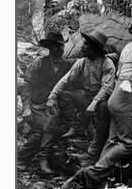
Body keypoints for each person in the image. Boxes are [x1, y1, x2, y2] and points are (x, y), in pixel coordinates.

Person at [63, 18, 132, 189]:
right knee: (128, 144)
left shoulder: (130, 47)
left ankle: (94, 180)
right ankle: (89, 174)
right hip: (128, 101)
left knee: (113, 141)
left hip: (119, 98)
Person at [46, 29, 116, 159]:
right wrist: (52, 96)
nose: (83, 47)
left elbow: (107, 87)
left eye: (86, 45)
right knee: (65, 95)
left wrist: (94, 103)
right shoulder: (82, 62)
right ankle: (76, 126)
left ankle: (96, 147)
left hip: (102, 99)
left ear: (95, 48)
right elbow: (65, 80)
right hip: (86, 96)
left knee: (103, 107)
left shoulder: (107, 63)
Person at [17, 31, 72, 176]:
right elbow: (25, 86)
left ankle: (30, 159)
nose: (59, 49)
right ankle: (28, 159)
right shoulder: (39, 63)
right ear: (49, 47)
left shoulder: (68, 65)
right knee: (43, 129)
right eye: (56, 46)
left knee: (49, 126)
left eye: (61, 46)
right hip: (37, 107)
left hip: (56, 108)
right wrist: (27, 108)